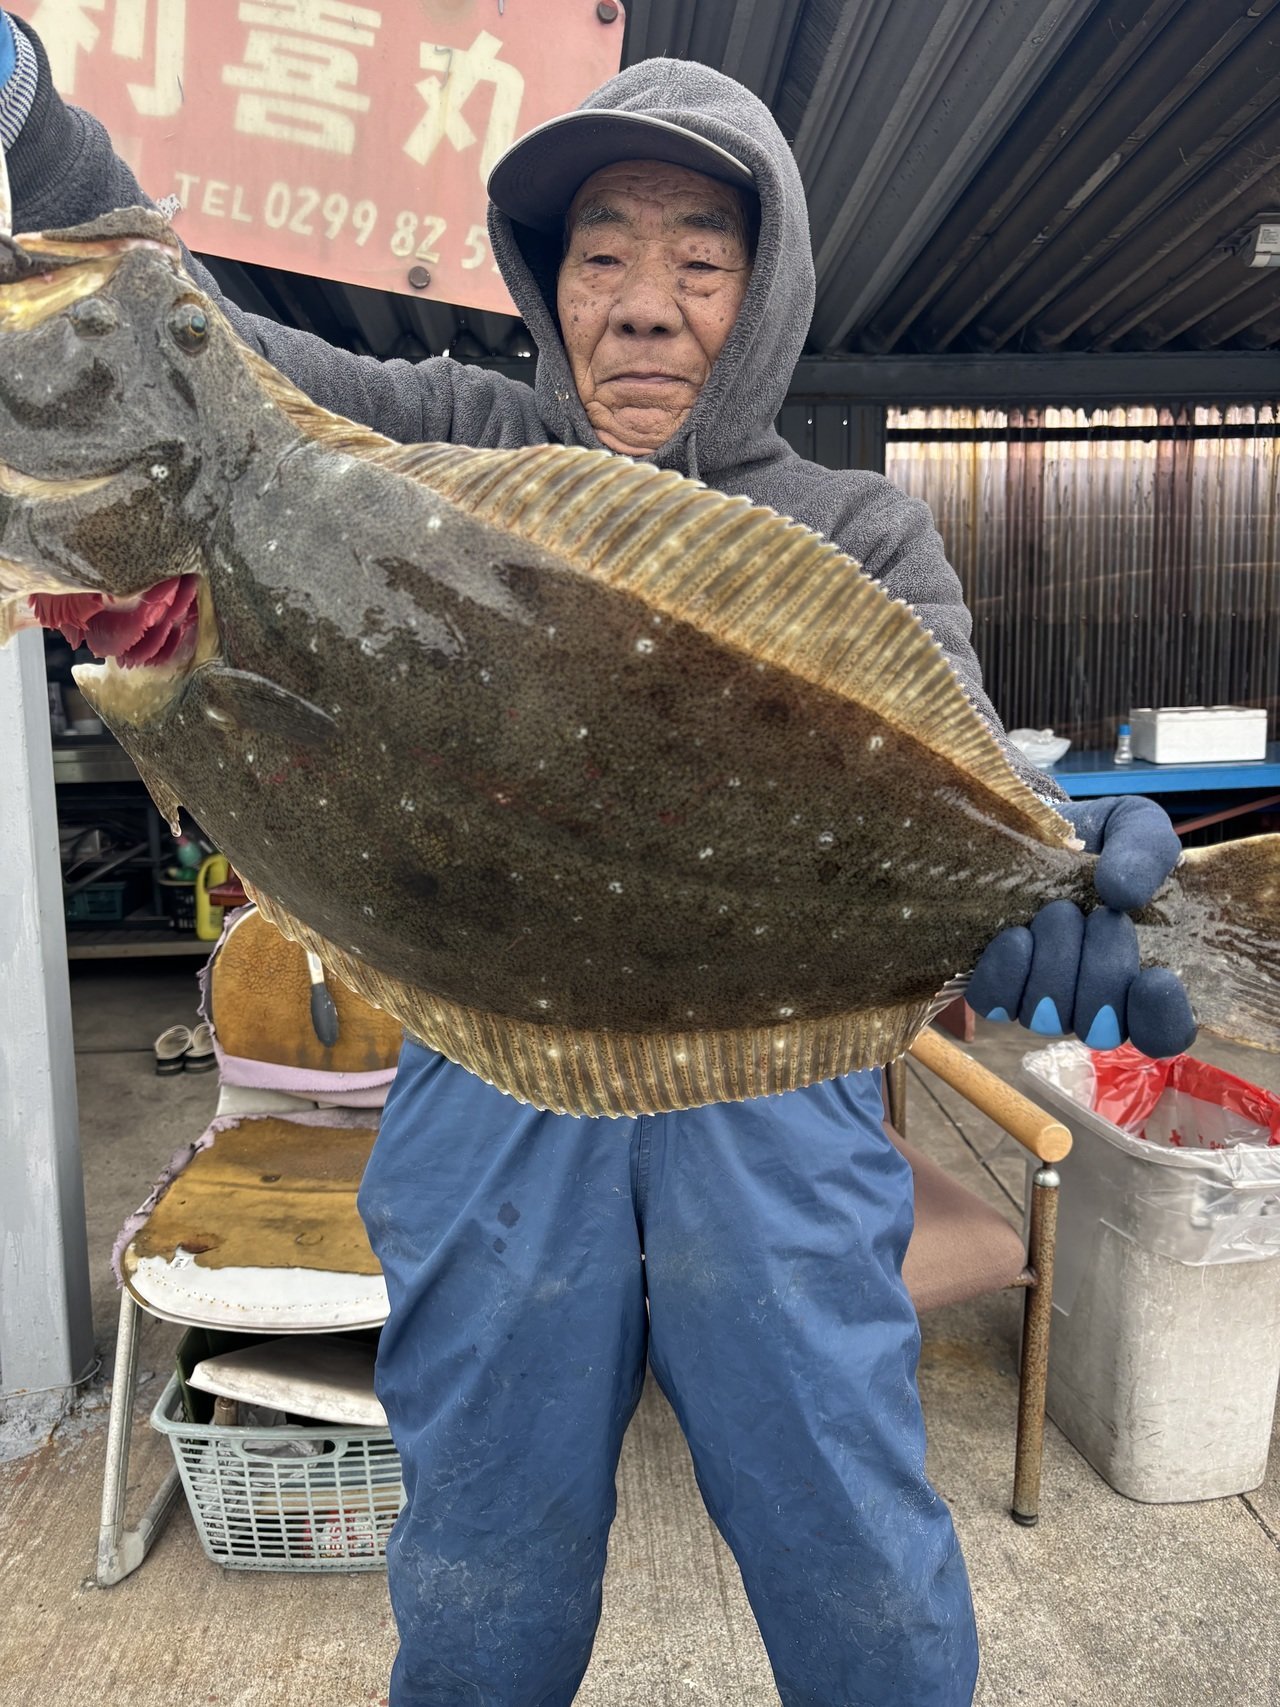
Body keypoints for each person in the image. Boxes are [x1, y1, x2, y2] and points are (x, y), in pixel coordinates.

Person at [0, 15, 1195, 1706]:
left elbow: (963, 759)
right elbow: (195, 346)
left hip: (774, 1105)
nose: (644, 302)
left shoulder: (862, 529)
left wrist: (1044, 870)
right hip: (488, 1074)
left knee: (852, 1547)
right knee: (483, 1558)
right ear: (546, 283)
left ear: (764, 294)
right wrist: (32, 119)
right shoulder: (440, 436)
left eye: (701, 260)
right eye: (603, 255)